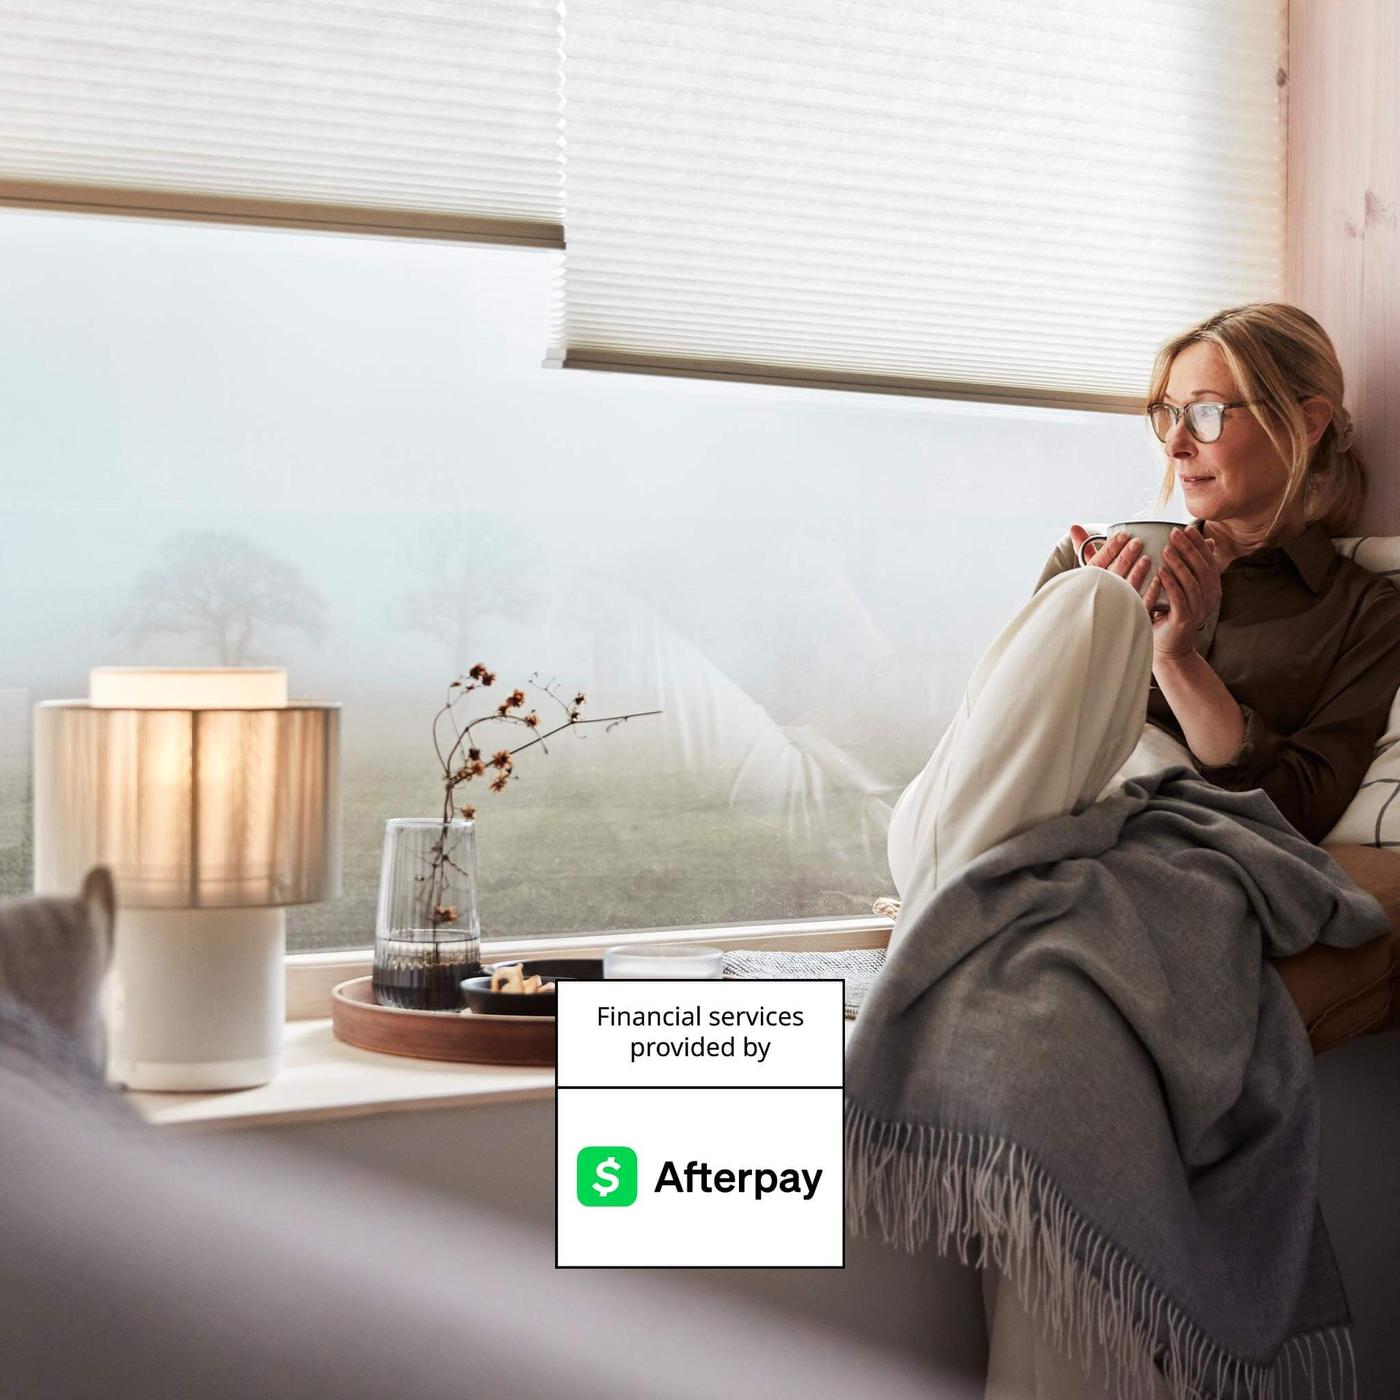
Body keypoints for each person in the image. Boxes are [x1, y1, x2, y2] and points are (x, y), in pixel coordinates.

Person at [881, 302, 1400, 1400]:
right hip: (1047, 814)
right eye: (1164, 413)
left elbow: (1299, 809)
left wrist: (1172, 656)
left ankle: (944, 877)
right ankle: (949, 863)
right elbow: (1016, 732)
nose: (1171, 444)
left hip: (1185, 827)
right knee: (1080, 606)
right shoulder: (1100, 556)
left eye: (1205, 412)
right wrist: (1103, 604)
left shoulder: (1359, 610)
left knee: (1104, 622)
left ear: (1305, 421)